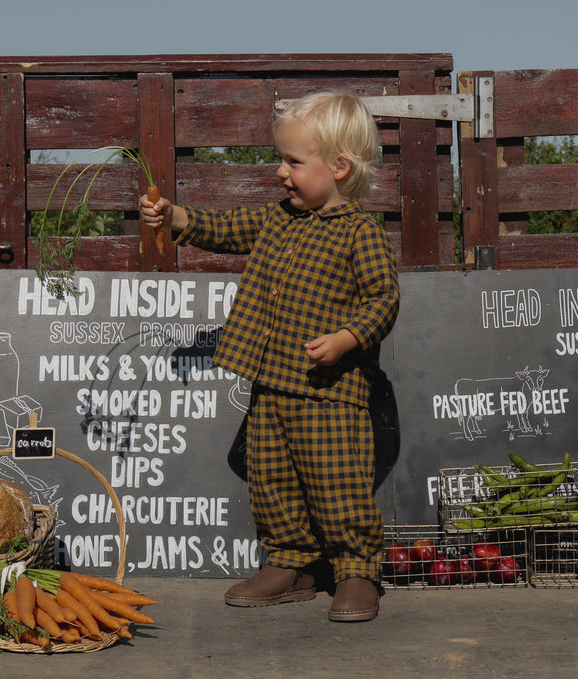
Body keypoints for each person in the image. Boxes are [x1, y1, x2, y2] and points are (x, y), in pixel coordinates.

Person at [139, 90, 399, 623]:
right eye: (281, 159)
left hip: (331, 390)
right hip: (271, 382)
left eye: (294, 162)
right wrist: (176, 216)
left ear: (339, 167)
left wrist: (347, 338)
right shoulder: (279, 219)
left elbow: (384, 299)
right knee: (271, 475)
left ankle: (355, 570)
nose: (281, 172)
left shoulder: (360, 232)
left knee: (338, 479)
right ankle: (291, 563)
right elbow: (229, 228)